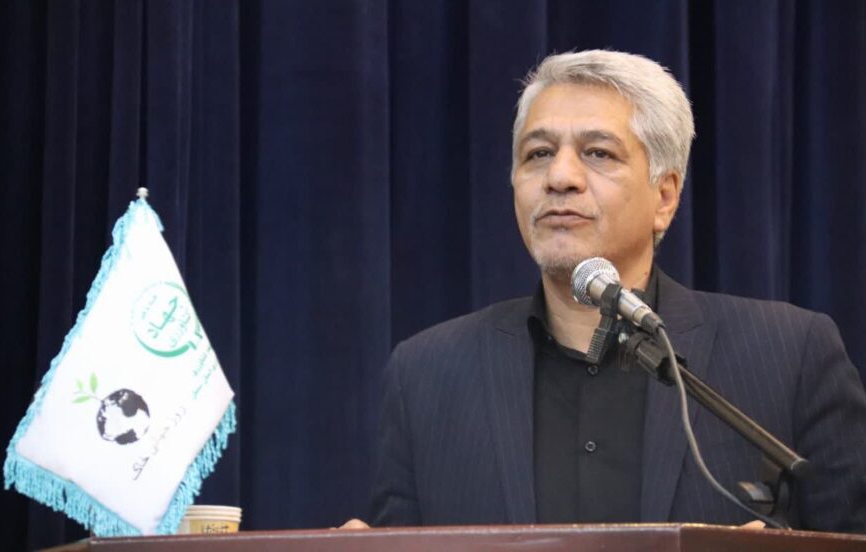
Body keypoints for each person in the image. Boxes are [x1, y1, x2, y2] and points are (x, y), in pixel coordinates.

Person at [358, 50, 866, 531]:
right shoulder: (425, 375)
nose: (560, 177)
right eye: (538, 153)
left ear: (664, 197)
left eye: (598, 153)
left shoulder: (789, 356)